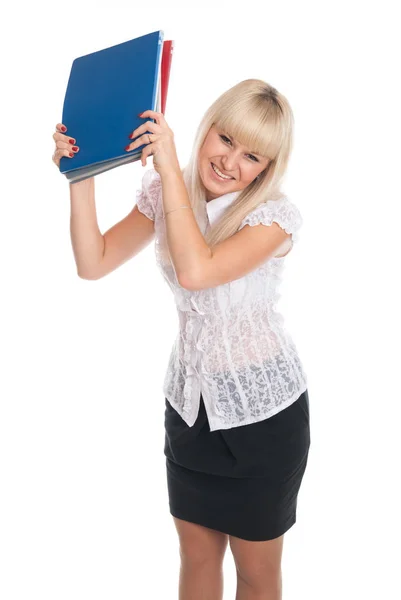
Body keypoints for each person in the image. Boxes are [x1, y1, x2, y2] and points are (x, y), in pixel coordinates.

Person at [52, 78, 311, 600]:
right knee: (195, 557)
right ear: (207, 127)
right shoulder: (171, 189)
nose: (229, 162)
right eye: (225, 139)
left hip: (262, 419)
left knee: (256, 573)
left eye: (252, 155)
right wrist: (79, 173)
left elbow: (197, 270)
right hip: (189, 408)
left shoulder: (273, 219)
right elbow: (93, 262)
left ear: (267, 168)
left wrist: (169, 168)